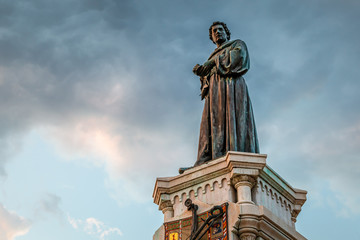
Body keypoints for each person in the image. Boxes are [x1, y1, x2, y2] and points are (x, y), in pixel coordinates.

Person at [193, 21, 259, 166]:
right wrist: (203, 74)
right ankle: (209, 158)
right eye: (214, 31)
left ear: (226, 32)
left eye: (220, 29)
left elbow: (239, 59)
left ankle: (234, 153)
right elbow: (207, 80)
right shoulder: (212, 56)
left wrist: (212, 63)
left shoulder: (237, 44)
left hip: (232, 86)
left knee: (232, 117)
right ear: (212, 37)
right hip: (215, 91)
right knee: (213, 122)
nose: (217, 32)